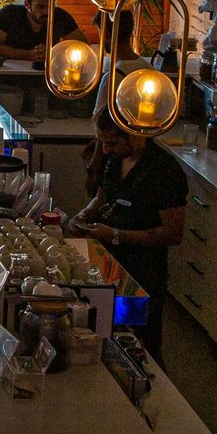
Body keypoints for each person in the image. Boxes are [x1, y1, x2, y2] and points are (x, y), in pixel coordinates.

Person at [66, 110, 186, 353]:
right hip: (107, 267)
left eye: (111, 142)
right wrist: (85, 214)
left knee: (141, 345)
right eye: (102, 142)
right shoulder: (115, 159)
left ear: (133, 134)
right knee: (104, 333)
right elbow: (102, 195)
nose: (106, 150)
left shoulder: (164, 171)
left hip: (142, 274)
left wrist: (116, 235)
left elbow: (173, 233)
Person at [0, 0, 80, 65]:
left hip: (49, 76)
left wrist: (54, 53)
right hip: (9, 76)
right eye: (40, 6)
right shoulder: (9, 14)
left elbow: (83, 47)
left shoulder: (61, 16)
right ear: (27, 4)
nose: (46, 11)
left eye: (50, 6)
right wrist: (28, 55)